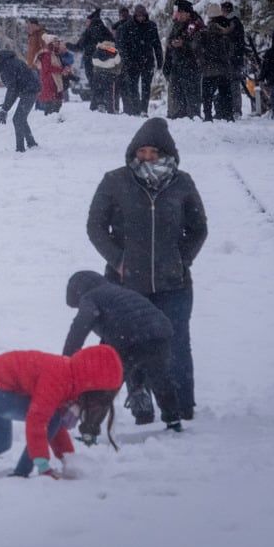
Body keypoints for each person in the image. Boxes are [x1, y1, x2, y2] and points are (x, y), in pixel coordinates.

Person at [87, 118, 208, 418]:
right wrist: (118, 260)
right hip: (126, 283)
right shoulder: (115, 181)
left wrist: (181, 260)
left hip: (174, 284)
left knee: (176, 343)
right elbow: (96, 227)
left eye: (154, 152)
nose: (147, 158)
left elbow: (198, 228)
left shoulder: (182, 183)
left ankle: (182, 407)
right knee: (130, 342)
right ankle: (139, 398)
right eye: (142, 152)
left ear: (166, 154)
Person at [0, 345, 124, 479]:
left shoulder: (69, 376)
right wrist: (42, 464)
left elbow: (56, 427)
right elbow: (39, 419)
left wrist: (67, 458)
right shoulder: (59, 378)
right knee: (49, 417)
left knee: (0, 443)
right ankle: (21, 474)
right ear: (91, 383)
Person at [63, 270, 182, 431]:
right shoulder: (118, 291)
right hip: (160, 333)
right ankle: (173, 419)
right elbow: (119, 322)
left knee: (106, 385)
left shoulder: (90, 297)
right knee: (161, 378)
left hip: (129, 337)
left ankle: (89, 431)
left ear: (78, 292)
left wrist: (67, 359)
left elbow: (79, 328)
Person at [116, 5, 163, 116]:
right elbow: (122, 46)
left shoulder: (151, 26)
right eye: (138, 16)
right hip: (132, 61)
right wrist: (126, 60)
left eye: (142, 16)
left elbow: (156, 44)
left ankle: (143, 110)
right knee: (133, 86)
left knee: (146, 87)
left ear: (145, 15)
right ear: (135, 15)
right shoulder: (127, 27)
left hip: (147, 61)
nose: (141, 18)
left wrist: (160, 60)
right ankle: (136, 108)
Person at [193, 5, 235, 122]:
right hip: (223, 68)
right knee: (226, 93)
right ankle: (229, 115)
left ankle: (208, 115)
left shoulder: (204, 32)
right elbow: (230, 50)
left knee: (207, 95)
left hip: (209, 69)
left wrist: (201, 61)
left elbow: (196, 47)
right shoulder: (227, 30)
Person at [0, 49, 39, 152]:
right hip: (30, 90)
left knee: (18, 119)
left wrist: (5, 109)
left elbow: (12, 89)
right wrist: (6, 105)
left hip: (29, 91)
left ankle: (20, 149)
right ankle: (31, 143)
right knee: (20, 118)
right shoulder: (13, 62)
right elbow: (15, 89)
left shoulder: (7, 66)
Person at [67, 8, 113, 94]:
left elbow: (79, 47)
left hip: (91, 61)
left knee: (94, 84)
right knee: (104, 85)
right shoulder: (105, 30)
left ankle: (97, 99)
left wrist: (67, 45)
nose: (86, 23)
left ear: (91, 21)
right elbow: (113, 44)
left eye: (87, 21)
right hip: (105, 62)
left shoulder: (88, 31)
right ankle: (104, 99)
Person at [163, 28, 200, 119]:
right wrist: (172, 44)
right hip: (176, 67)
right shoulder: (175, 28)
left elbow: (197, 46)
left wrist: (184, 44)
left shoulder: (195, 26)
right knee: (176, 91)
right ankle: (177, 112)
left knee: (190, 92)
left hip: (191, 67)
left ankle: (192, 113)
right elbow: (169, 50)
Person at [221, 2, 247, 118]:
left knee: (233, 85)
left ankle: (235, 110)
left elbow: (234, 42)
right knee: (232, 85)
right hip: (233, 59)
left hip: (232, 59)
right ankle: (232, 109)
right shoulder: (234, 22)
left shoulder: (233, 23)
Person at [34, 34, 67, 116]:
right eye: (55, 42)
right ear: (50, 43)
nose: (57, 43)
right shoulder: (46, 54)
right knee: (52, 102)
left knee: (56, 102)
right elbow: (47, 68)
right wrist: (61, 70)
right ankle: (50, 119)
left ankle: (53, 117)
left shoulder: (54, 53)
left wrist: (63, 69)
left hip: (54, 80)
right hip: (50, 80)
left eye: (58, 42)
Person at [89, 40, 122, 114]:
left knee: (97, 91)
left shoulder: (96, 52)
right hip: (110, 75)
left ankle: (97, 106)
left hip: (97, 75)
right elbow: (118, 62)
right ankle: (111, 109)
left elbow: (94, 62)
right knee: (110, 93)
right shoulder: (114, 53)